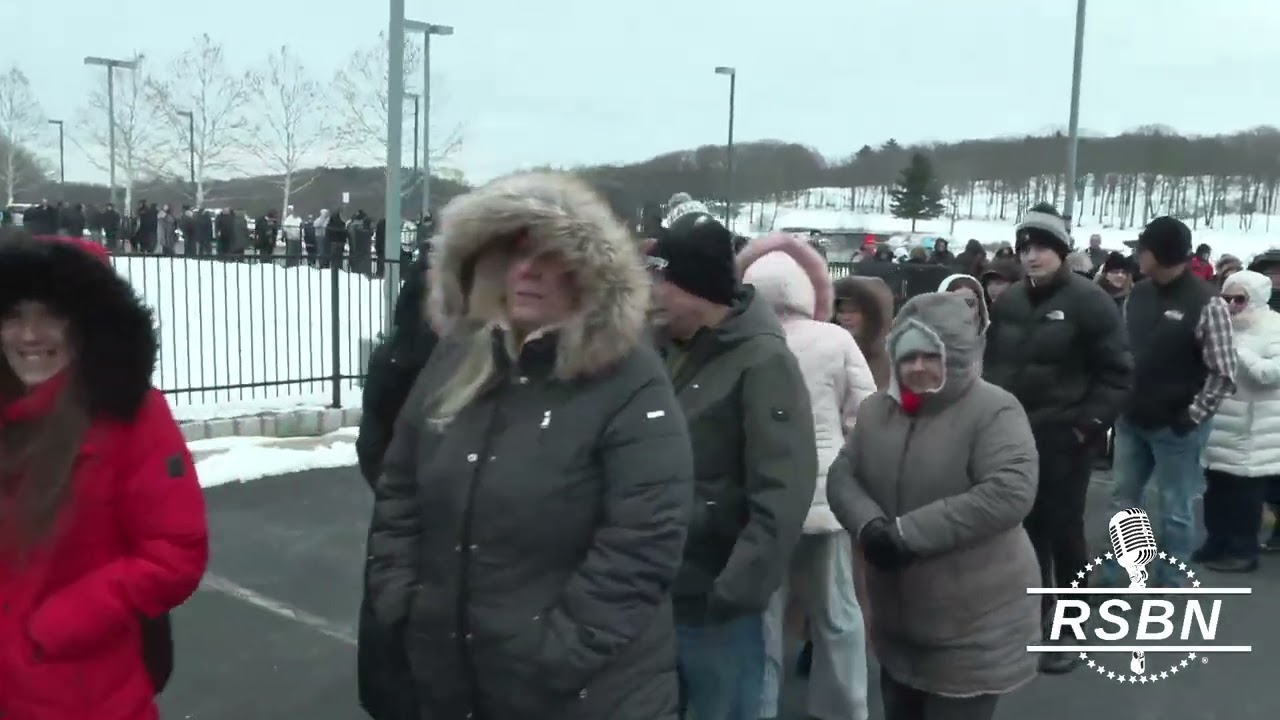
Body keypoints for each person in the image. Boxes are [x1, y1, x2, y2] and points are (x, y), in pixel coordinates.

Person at [365, 172, 694, 720]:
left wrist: (555, 653)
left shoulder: (629, 379)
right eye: (514, 254)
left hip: (587, 694)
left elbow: (643, 541)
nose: (528, 270)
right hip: (453, 678)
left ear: (590, 273)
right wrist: (403, 601)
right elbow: (400, 488)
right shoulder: (458, 359)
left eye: (551, 255)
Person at [0, 229, 209, 720]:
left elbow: (174, 554)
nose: (29, 335)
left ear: (89, 324)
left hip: (82, 690)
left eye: (51, 315)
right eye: (14, 315)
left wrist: (62, 622)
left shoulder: (131, 416)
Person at [827, 292, 1040, 720]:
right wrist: (869, 525)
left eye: (931, 356)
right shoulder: (877, 410)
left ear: (957, 358)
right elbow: (843, 474)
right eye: (908, 357)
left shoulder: (993, 410)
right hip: (898, 618)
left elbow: (1009, 491)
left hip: (974, 623)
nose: (917, 367)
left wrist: (907, 534)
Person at [647, 211, 816, 720]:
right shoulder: (661, 350)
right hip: (656, 589)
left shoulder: (763, 362)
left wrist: (736, 589)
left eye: (663, 279)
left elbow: (783, 490)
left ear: (697, 287)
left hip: (716, 602)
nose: (652, 292)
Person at [982, 204, 1132, 674]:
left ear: (1063, 251)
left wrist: (1087, 426)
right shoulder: (1009, 302)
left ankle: (1070, 624)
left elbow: (1117, 373)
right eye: (1025, 247)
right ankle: (1033, 613)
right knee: (1022, 530)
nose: (1032, 256)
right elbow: (993, 365)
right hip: (1012, 436)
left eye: (1043, 246)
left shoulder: (1090, 301)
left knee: (1064, 530)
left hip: (1065, 437)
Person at [736, 234, 873, 720]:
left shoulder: (742, 342)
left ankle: (760, 706)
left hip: (760, 499)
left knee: (762, 615)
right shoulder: (835, 339)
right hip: (826, 496)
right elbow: (864, 415)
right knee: (838, 612)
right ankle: (844, 707)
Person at [1102, 217, 1237, 588]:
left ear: (1158, 253)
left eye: (1141, 249)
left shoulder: (1207, 302)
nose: (1137, 256)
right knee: (1122, 501)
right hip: (1132, 418)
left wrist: (1191, 416)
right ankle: (1114, 576)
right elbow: (1125, 350)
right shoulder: (1138, 294)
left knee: (1175, 510)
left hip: (1177, 427)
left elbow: (1224, 373)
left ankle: (1172, 579)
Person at [354, 249, 439, 720]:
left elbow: (372, 446)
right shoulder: (412, 361)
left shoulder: (392, 356)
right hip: (423, 523)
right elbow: (374, 445)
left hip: (400, 521)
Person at [1199, 270, 1280, 573]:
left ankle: (1243, 551)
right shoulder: (1220, 325)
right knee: (1216, 488)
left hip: (1254, 427)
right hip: (1219, 420)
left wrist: (1237, 350)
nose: (1231, 304)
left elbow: (1270, 375)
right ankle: (1216, 542)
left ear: (1256, 298)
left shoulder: (1274, 327)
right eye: (1226, 298)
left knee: (1245, 495)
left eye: (1239, 299)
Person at [833, 275, 894, 390]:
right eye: (841, 311)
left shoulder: (891, 365)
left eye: (853, 311)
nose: (846, 318)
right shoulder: (827, 356)